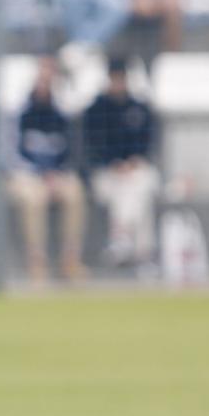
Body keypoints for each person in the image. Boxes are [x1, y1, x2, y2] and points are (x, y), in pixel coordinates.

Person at [7, 55, 87, 283]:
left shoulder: (62, 113)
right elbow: (9, 154)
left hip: (56, 175)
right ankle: (36, 261)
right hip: (25, 175)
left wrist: (57, 174)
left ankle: (70, 260)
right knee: (35, 198)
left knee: (74, 192)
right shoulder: (19, 112)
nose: (45, 83)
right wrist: (38, 173)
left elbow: (71, 152)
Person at [81, 58, 162, 268]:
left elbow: (147, 143)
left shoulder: (139, 108)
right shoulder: (96, 110)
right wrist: (114, 163)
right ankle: (144, 253)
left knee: (140, 185)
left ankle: (121, 240)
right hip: (106, 173)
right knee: (131, 193)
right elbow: (91, 147)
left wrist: (133, 161)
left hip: (135, 170)